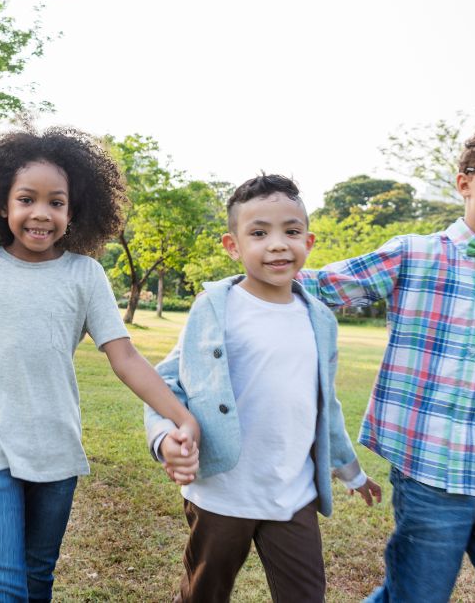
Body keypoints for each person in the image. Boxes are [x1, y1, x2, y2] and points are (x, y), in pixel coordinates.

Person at [299, 119, 475, 603]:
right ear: (465, 181)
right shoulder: (414, 255)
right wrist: (244, 269)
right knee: (414, 596)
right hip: (430, 468)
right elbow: (315, 286)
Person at [0, 127, 200, 602]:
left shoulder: (85, 275)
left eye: (57, 202)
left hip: (55, 447)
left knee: (35, 578)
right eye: (27, 199)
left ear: (74, 211)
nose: (41, 213)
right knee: (1, 585)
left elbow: (124, 358)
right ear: (3, 206)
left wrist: (181, 415)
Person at [145, 173, 381, 603]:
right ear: (232, 246)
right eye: (259, 233)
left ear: (308, 242)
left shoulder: (320, 319)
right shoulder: (216, 307)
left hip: (293, 493)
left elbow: (324, 407)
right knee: (204, 592)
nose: (277, 244)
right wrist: (165, 438)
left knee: (306, 594)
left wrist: (352, 472)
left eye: (291, 232)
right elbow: (167, 382)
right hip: (223, 491)